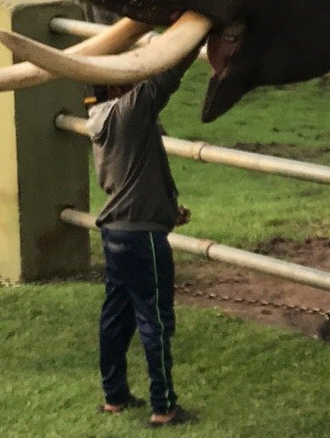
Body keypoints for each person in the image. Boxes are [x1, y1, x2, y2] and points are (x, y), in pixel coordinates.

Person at [87, 50, 199, 428]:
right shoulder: (129, 110)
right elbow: (167, 78)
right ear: (119, 83)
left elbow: (136, 175)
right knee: (155, 319)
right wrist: (193, 38)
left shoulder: (102, 118)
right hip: (141, 239)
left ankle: (114, 397)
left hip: (118, 233)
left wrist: (166, 211)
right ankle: (164, 407)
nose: (140, 77)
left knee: (115, 318)